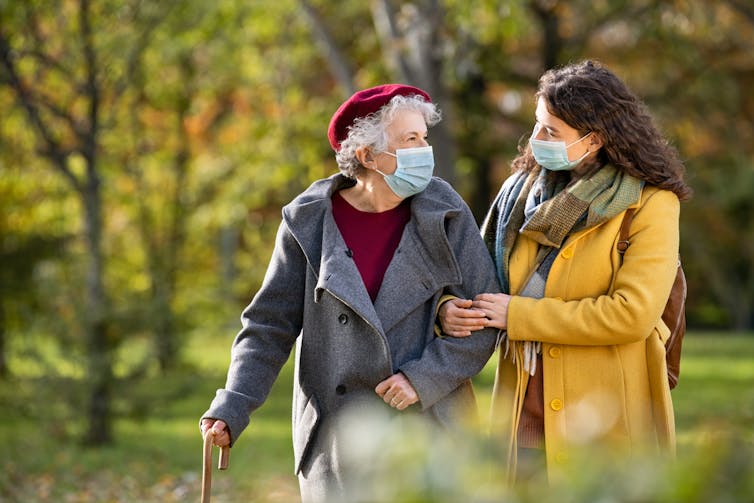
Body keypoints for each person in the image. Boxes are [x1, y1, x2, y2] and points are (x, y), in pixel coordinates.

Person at [200, 84, 500, 502]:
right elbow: (269, 326)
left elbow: (487, 315)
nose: (423, 150)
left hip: (431, 431)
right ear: (367, 155)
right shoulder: (307, 222)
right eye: (409, 140)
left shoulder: (446, 212)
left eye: (424, 138)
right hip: (336, 440)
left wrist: (424, 378)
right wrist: (232, 404)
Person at [438, 60, 692, 483]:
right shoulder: (520, 196)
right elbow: (473, 279)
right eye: (537, 125)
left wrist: (518, 316)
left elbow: (632, 313)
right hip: (521, 411)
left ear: (593, 140)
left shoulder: (651, 204)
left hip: (606, 417)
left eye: (551, 132)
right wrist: (449, 308)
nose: (536, 140)